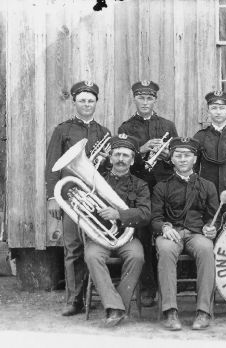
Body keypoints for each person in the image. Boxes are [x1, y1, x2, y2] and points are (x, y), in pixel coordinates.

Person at [46, 81, 111, 316]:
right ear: (74, 102)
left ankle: (97, 296)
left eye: (90, 100)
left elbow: (107, 173)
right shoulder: (62, 130)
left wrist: (107, 160)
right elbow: (52, 165)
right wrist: (52, 197)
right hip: (70, 197)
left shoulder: (104, 132)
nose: (86, 104)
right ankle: (74, 300)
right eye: (82, 100)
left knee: (94, 246)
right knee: (72, 248)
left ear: (96, 103)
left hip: (94, 198)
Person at [117, 80, 178, 306]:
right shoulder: (126, 127)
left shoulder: (167, 125)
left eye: (149, 98)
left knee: (164, 235)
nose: (145, 102)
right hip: (139, 189)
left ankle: (168, 288)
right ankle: (147, 287)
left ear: (155, 100)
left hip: (163, 189)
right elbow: (123, 161)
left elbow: (176, 159)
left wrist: (166, 156)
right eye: (141, 98)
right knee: (142, 239)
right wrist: (142, 150)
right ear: (134, 99)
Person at [151, 137, 219, 331]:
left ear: (194, 159)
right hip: (171, 234)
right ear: (171, 159)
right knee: (165, 249)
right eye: (178, 155)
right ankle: (170, 311)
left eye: (187, 155)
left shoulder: (207, 186)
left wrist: (210, 227)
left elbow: (214, 217)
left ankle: (203, 311)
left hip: (196, 234)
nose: (182, 159)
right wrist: (164, 227)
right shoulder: (161, 187)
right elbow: (154, 218)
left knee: (206, 248)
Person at [84, 134, 151, 327]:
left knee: (137, 257)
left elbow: (146, 215)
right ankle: (116, 308)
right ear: (110, 157)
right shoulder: (96, 182)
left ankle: (116, 307)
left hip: (128, 238)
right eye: (117, 154)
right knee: (92, 257)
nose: (121, 159)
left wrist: (119, 214)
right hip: (100, 236)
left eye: (126, 155)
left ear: (132, 160)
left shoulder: (140, 185)